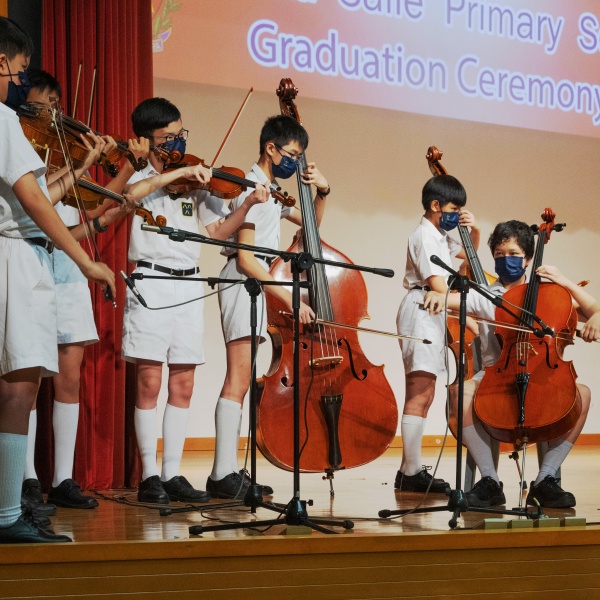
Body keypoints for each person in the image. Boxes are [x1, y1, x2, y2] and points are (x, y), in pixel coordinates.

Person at [121, 97, 270, 504]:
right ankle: (149, 476)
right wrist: (180, 171)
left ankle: (172, 473)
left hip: (188, 285)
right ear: (148, 139)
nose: (177, 143)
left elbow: (217, 232)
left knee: (183, 383)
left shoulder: (195, 185)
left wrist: (247, 205)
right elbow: (130, 196)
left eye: (179, 134)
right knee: (150, 381)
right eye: (168, 137)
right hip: (151, 281)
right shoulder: (140, 175)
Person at [0, 16, 114, 543]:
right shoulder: (4, 120)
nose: (19, 83)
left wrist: (86, 164)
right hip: (16, 257)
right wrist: (86, 262)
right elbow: (34, 199)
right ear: (3, 62)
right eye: (20, 71)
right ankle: (7, 515)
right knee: (18, 389)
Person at [20, 70, 136, 512]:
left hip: (67, 269)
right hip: (30, 262)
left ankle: (63, 479)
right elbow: (42, 206)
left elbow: (94, 203)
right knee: (27, 379)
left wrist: (125, 164)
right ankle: (27, 480)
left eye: (56, 104)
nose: (52, 114)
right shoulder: (20, 152)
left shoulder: (66, 151)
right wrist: (82, 163)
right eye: (42, 104)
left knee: (69, 377)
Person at [427, 220, 592, 508]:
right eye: (499, 255)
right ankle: (490, 481)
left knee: (583, 394)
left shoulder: (550, 294)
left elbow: (591, 310)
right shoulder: (485, 295)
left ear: (528, 259)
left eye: (514, 254)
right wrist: (435, 295)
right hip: (496, 378)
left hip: (541, 375)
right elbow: (446, 298)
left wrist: (568, 285)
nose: (506, 260)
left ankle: (545, 480)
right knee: (459, 393)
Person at [207, 114, 329, 499]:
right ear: (270, 148)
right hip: (244, 281)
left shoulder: (272, 192)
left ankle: (230, 471)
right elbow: (246, 259)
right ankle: (221, 475)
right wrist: (292, 298)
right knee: (238, 379)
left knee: (244, 380)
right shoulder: (251, 188)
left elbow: (310, 228)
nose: (294, 162)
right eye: (290, 154)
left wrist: (322, 193)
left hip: (259, 283)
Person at [395, 174, 480, 494]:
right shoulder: (425, 237)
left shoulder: (439, 235)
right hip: (422, 309)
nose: (456, 215)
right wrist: (470, 318)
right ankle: (411, 473)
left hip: (430, 311)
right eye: (454, 209)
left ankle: (408, 469)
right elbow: (439, 287)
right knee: (420, 392)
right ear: (435, 205)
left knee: (426, 393)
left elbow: (466, 256)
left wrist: (475, 231)